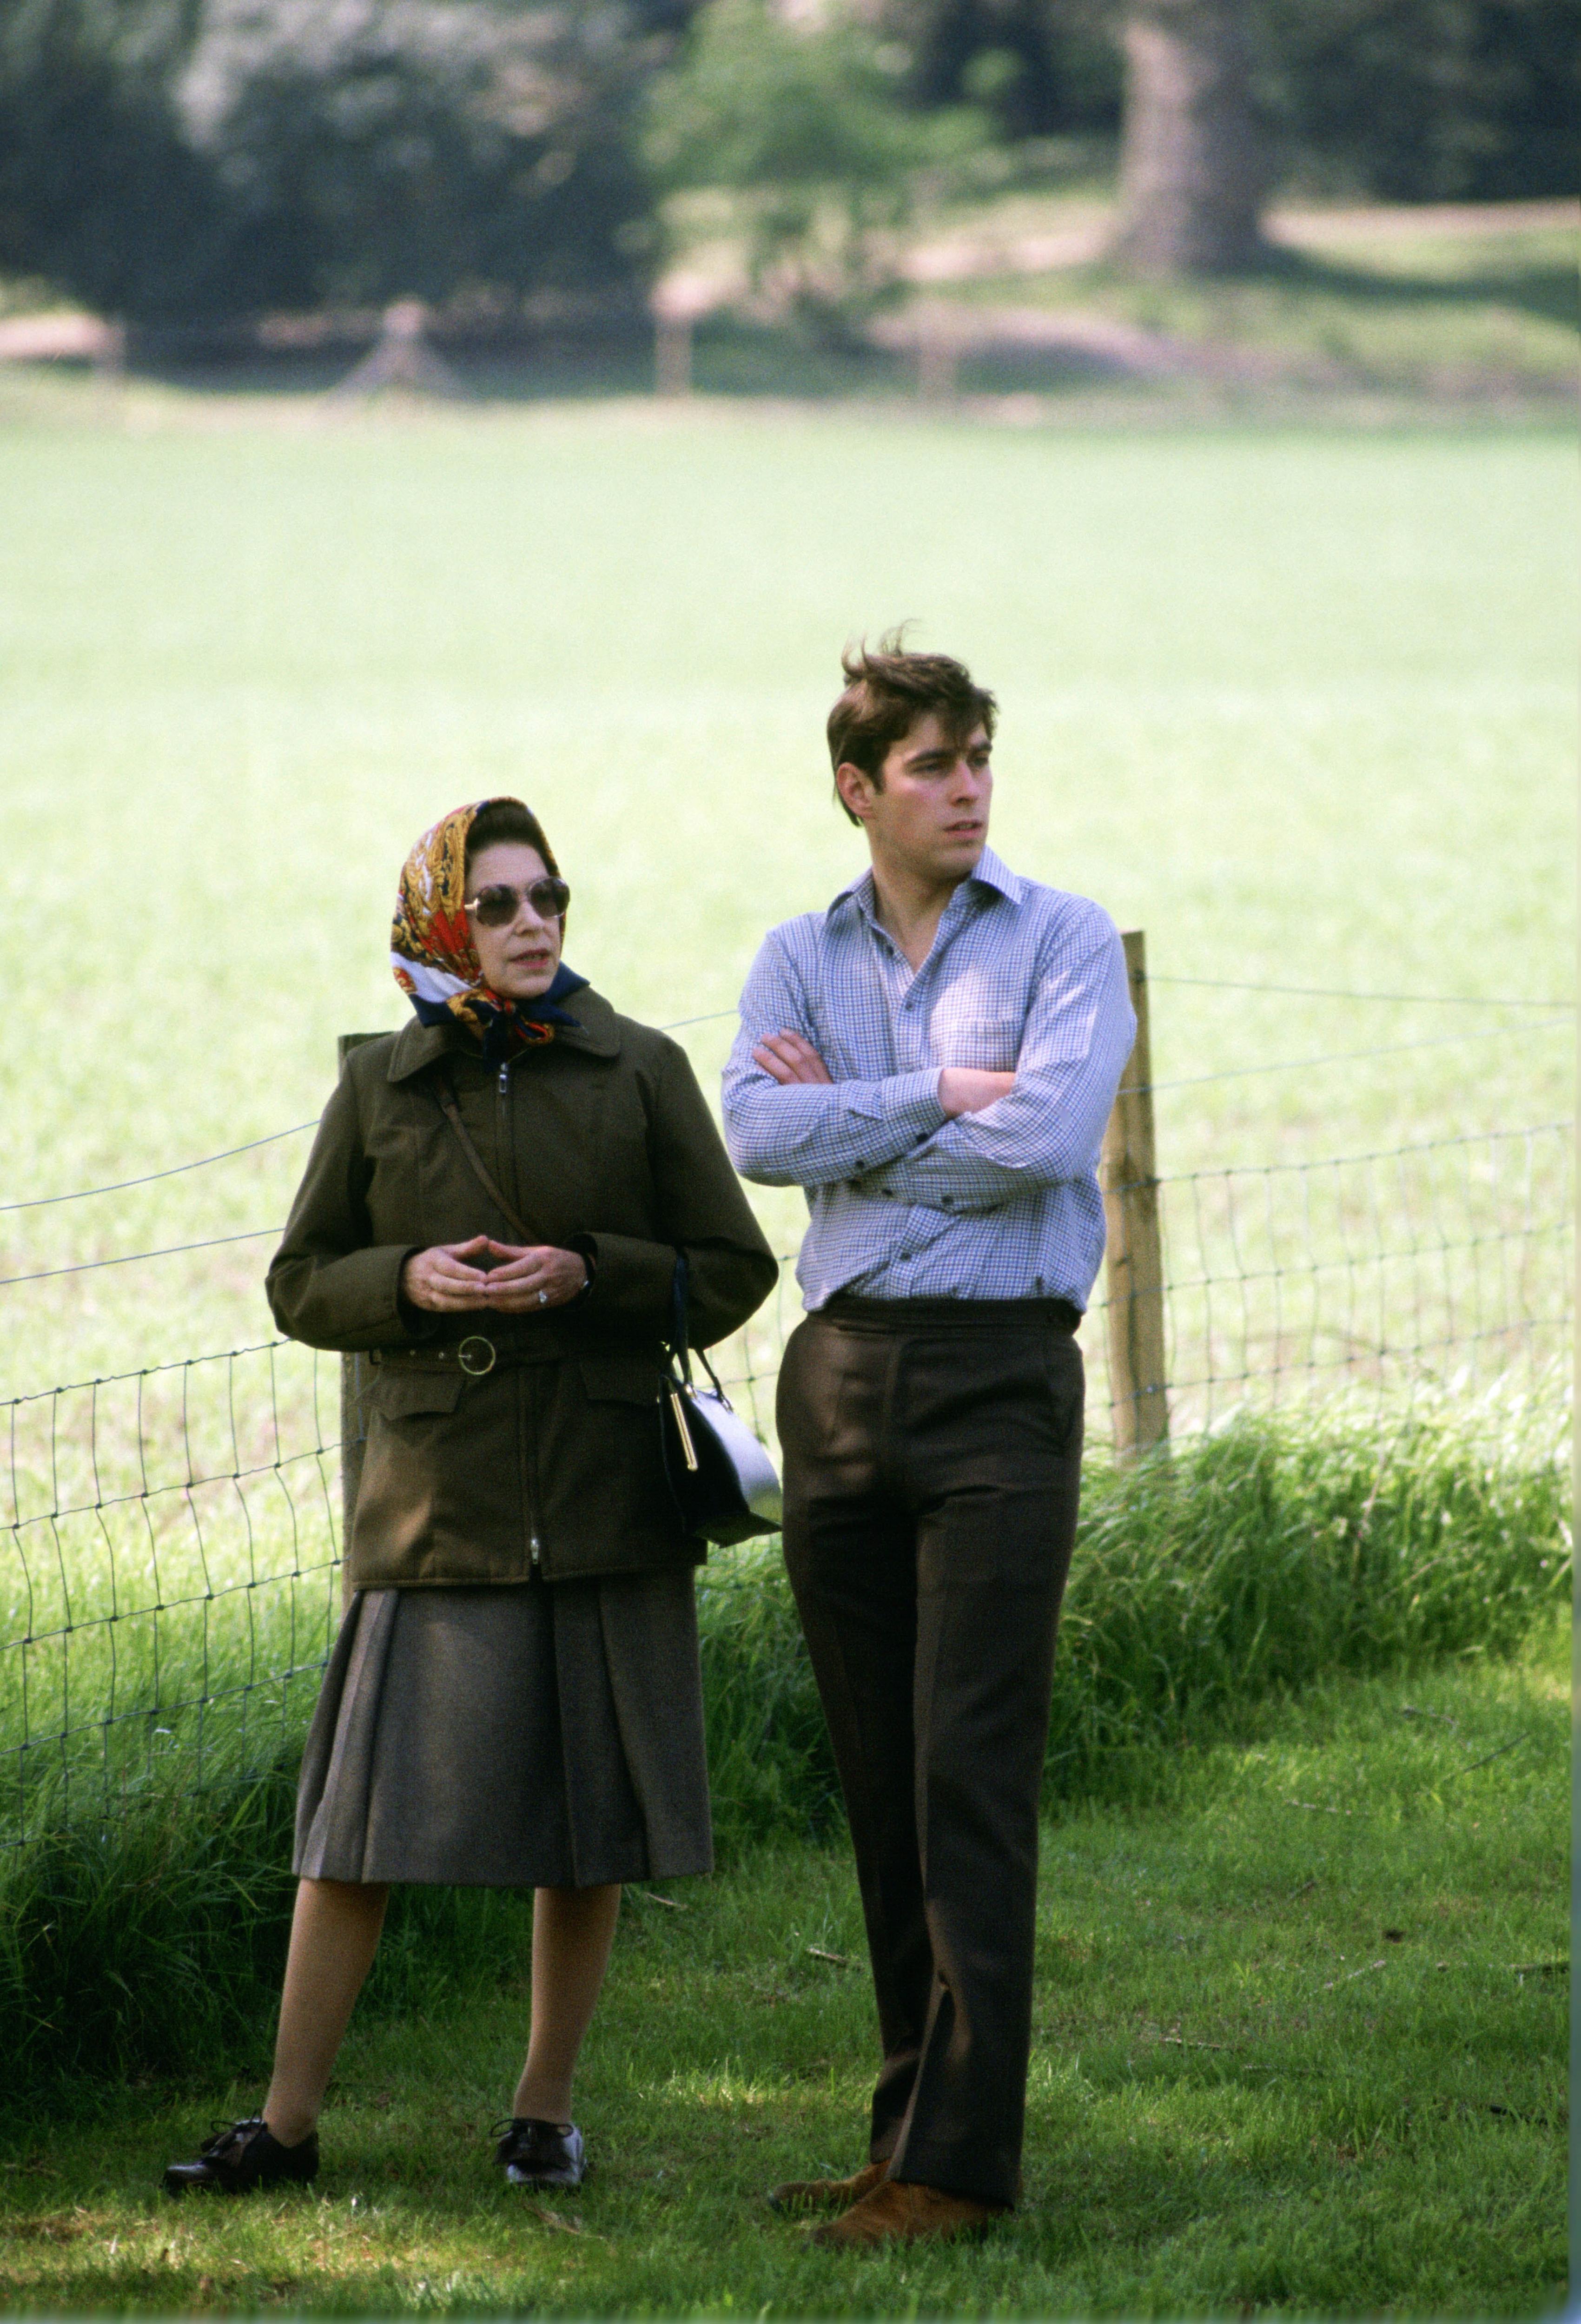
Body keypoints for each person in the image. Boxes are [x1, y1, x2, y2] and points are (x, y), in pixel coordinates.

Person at [163, 797, 777, 2201]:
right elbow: (299, 1282)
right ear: (442, 921)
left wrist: (591, 1273)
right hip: (430, 1507)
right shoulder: (384, 1083)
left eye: (548, 895)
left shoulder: (638, 1069)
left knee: (589, 1828)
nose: (531, 921)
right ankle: (287, 2128)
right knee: (352, 1832)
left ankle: (543, 2114)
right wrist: (407, 1286)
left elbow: (731, 1269)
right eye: (495, 902)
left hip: (607, 1491)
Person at [721, 640, 1134, 2249]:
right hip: (834, 1384)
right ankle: (902, 2140)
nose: (966, 787)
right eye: (932, 765)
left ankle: (959, 2173)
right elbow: (758, 1134)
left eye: (979, 759)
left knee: (968, 1772)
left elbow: (1047, 1133)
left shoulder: (1063, 938)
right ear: (856, 789)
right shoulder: (790, 953)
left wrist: (872, 1118)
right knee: (879, 1778)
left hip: (998, 1382)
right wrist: (944, 1089)